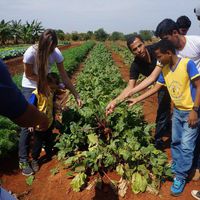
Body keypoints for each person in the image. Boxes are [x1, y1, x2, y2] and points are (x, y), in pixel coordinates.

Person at [127, 39, 200, 196]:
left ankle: (180, 176)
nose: (158, 61)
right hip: (178, 112)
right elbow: (156, 87)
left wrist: (195, 110)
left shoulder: (187, 64)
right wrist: (136, 99)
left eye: (159, 57)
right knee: (175, 141)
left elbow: (199, 86)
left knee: (187, 145)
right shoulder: (165, 69)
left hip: (190, 113)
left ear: (169, 53)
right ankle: (176, 164)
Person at [19, 29, 83, 176]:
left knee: (49, 115)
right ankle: (23, 160)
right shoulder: (30, 53)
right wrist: (46, 84)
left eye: (52, 49)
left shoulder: (56, 53)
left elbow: (65, 77)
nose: (50, 52)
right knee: (27, 122)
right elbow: (29, 74)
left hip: (45, 84)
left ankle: (46, 146)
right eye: (48, 49)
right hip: (31, 85)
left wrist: (76, 95)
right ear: (41, 45)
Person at [106, 35, 171, 147]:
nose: (139, 50)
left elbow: (152, 78)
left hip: (174, 77)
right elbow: (130, 87)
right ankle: (159, 137)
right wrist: (115, 102)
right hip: (161, 83)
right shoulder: (136, 65)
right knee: (163, 106)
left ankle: (170, 125)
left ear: (144, 43)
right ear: (132, 52)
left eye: (140, 46)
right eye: (134, 49)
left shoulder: (156, 50)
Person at [0, 60, 49, 200]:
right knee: (27, 130)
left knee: (39, 135)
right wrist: (43, 119)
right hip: (32, 95)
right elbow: (24, 115)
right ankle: (24, 160)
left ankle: (35, 156)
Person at [28, 73, 59, 172]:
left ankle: (49, 153)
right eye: (52, 88)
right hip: (38, 125)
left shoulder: (52, 92)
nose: (53, 90)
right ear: (46, 84)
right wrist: (30, 123)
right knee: (37, 144)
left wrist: (58, 106)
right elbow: (30, 109)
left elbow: (53, 102)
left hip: (49, 121)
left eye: (54, 88)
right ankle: (35, 160)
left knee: (49, 139)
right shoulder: (36, 94)